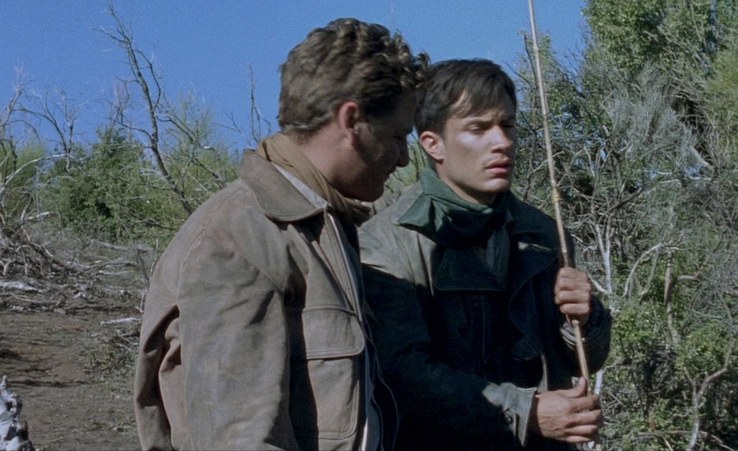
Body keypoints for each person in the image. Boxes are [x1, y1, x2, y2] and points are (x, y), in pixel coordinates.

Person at [133, 18, 427, 450]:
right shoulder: (241, 236)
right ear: (351, 120)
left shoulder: (322, 230)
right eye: (398, 136)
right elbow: (238, 439)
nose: (403, 158)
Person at [359, 59, 612, 451]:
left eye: (507, 125)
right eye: (478, 128)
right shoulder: (388, 242)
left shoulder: (545, 234)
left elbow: (584, 361)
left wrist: (584, 319)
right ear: (433, 144)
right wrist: (527, 412)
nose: (502, 142)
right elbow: (405, 378)